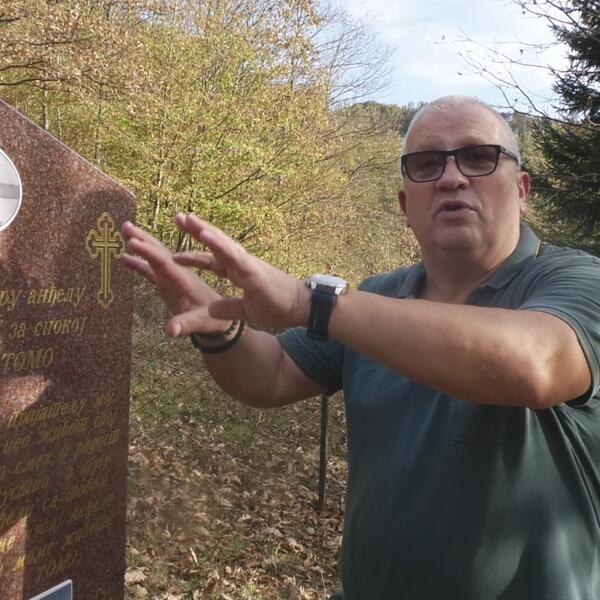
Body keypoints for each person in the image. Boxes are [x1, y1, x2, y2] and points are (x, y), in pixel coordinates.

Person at [121, 95, 600, 600]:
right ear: (405, 206)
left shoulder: (577, 281)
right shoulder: (377, 297)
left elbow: (537, 364)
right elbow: (272, 374)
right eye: (427, 164)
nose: (452, 178)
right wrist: (217, 326)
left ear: (522, 190)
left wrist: (312, 303)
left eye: (479, 157)